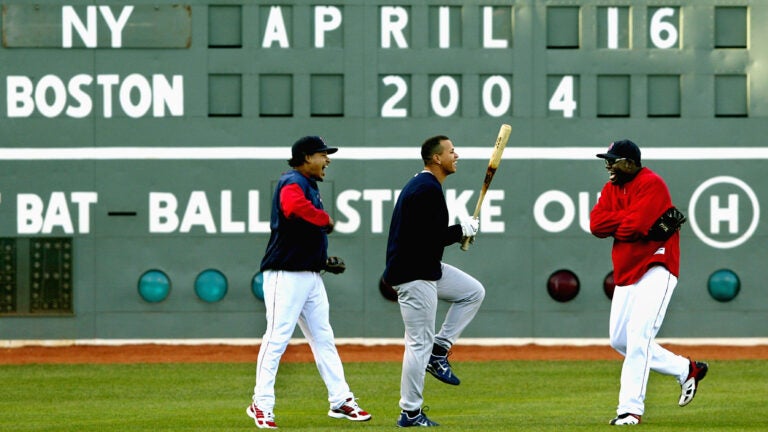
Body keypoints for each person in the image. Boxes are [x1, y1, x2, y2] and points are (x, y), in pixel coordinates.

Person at [247, 136, 371, 429]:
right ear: (306, 157)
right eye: (322, 154)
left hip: (309, 276)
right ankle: (261, 404)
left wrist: (319, 260)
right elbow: (292, 206)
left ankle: (340, 400)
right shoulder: (293, 180)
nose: (327, 160)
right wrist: (324, 218)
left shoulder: (308, 184)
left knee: (323, 338)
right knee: (276, 339)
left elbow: (298, 228)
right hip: (285, 275)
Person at [589, 139, 708, 426]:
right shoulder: (610, 189)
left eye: (613, 160)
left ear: (630, 163)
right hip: (628, 270)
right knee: (620, 341)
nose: (608, 165)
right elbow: (596, 226)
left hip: (658, 265)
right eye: (607, 159)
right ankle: (686, 369)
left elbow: (635, 227)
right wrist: (623, 219)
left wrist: (618, 221)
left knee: (638, 337)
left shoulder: (652, 184)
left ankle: (629, 410)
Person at [383, 135, 485, 427]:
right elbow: (432, 237)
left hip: (424, 267)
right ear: (437, 158)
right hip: (414, 274)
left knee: (472, 292)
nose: (457, 155)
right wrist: (459, 230)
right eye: (452, 152)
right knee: (418, 344)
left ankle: (439, 349)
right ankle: (410, 412)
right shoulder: (427, 188)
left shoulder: (426, 185)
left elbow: (426, 236)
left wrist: (459, 231)